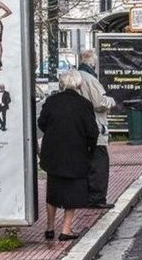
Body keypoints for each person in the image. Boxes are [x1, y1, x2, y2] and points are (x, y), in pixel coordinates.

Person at [37, 69, 98, 241]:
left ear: (62, 84)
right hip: (76, 154)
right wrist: (89, 152)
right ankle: (66, 229)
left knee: (53, 190)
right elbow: (92, 132)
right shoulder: (84, 104)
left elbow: (41, 123)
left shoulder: (51, 101)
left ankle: (50, 228)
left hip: (53, 154)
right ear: (79, 85)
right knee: (73, 191)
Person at [76, 49, 116, 209]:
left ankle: (84, 195)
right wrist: (111, 101)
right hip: (95, 125)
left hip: (79, 126)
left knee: (85, 161)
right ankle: (97, 198)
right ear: (92, 62)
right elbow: (99, 102)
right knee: (99, 162)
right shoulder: (90, 79)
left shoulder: (76, 76)